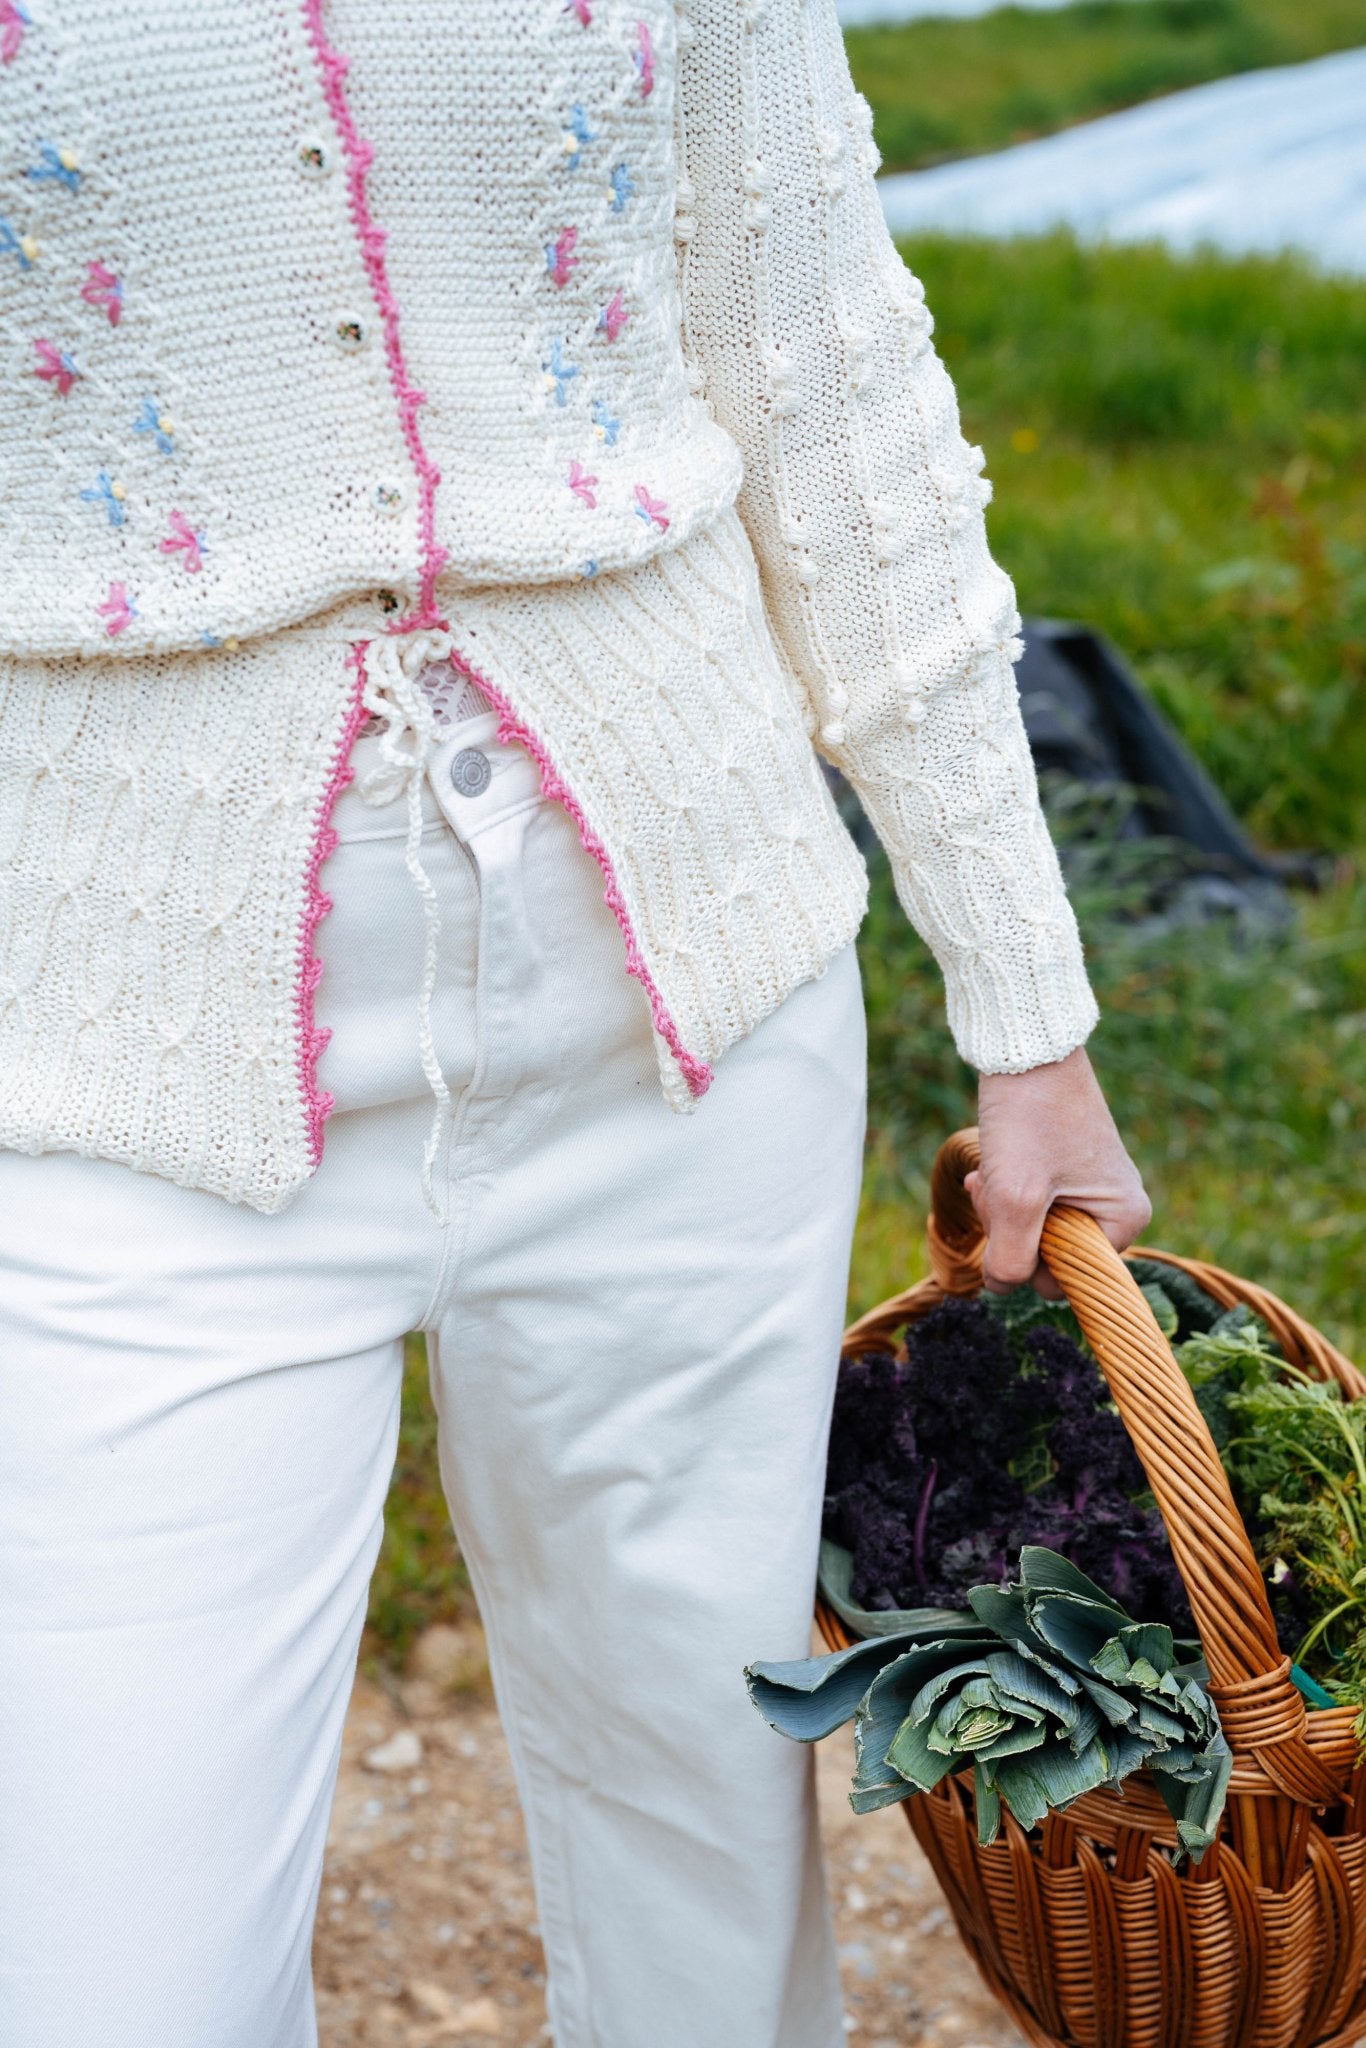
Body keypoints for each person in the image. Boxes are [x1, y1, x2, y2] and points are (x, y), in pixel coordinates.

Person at [0, 1, 1150, 2043]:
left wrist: (1026, 1013)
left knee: (703, 1843)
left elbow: (824, 368)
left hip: (690, 994)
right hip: (112, 1049)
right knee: (112, 1964)